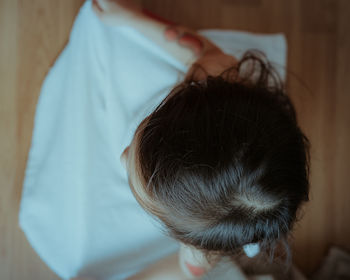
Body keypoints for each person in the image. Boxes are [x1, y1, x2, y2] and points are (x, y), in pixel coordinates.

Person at [91, 0, 311, 279]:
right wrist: (133, 19)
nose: (123, 157)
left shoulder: (199, 249)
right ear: (181, 101)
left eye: (144, 196)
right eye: (138, 140)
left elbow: (187, 270)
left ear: (189, 238)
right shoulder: (215, 69)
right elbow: (199, 49)